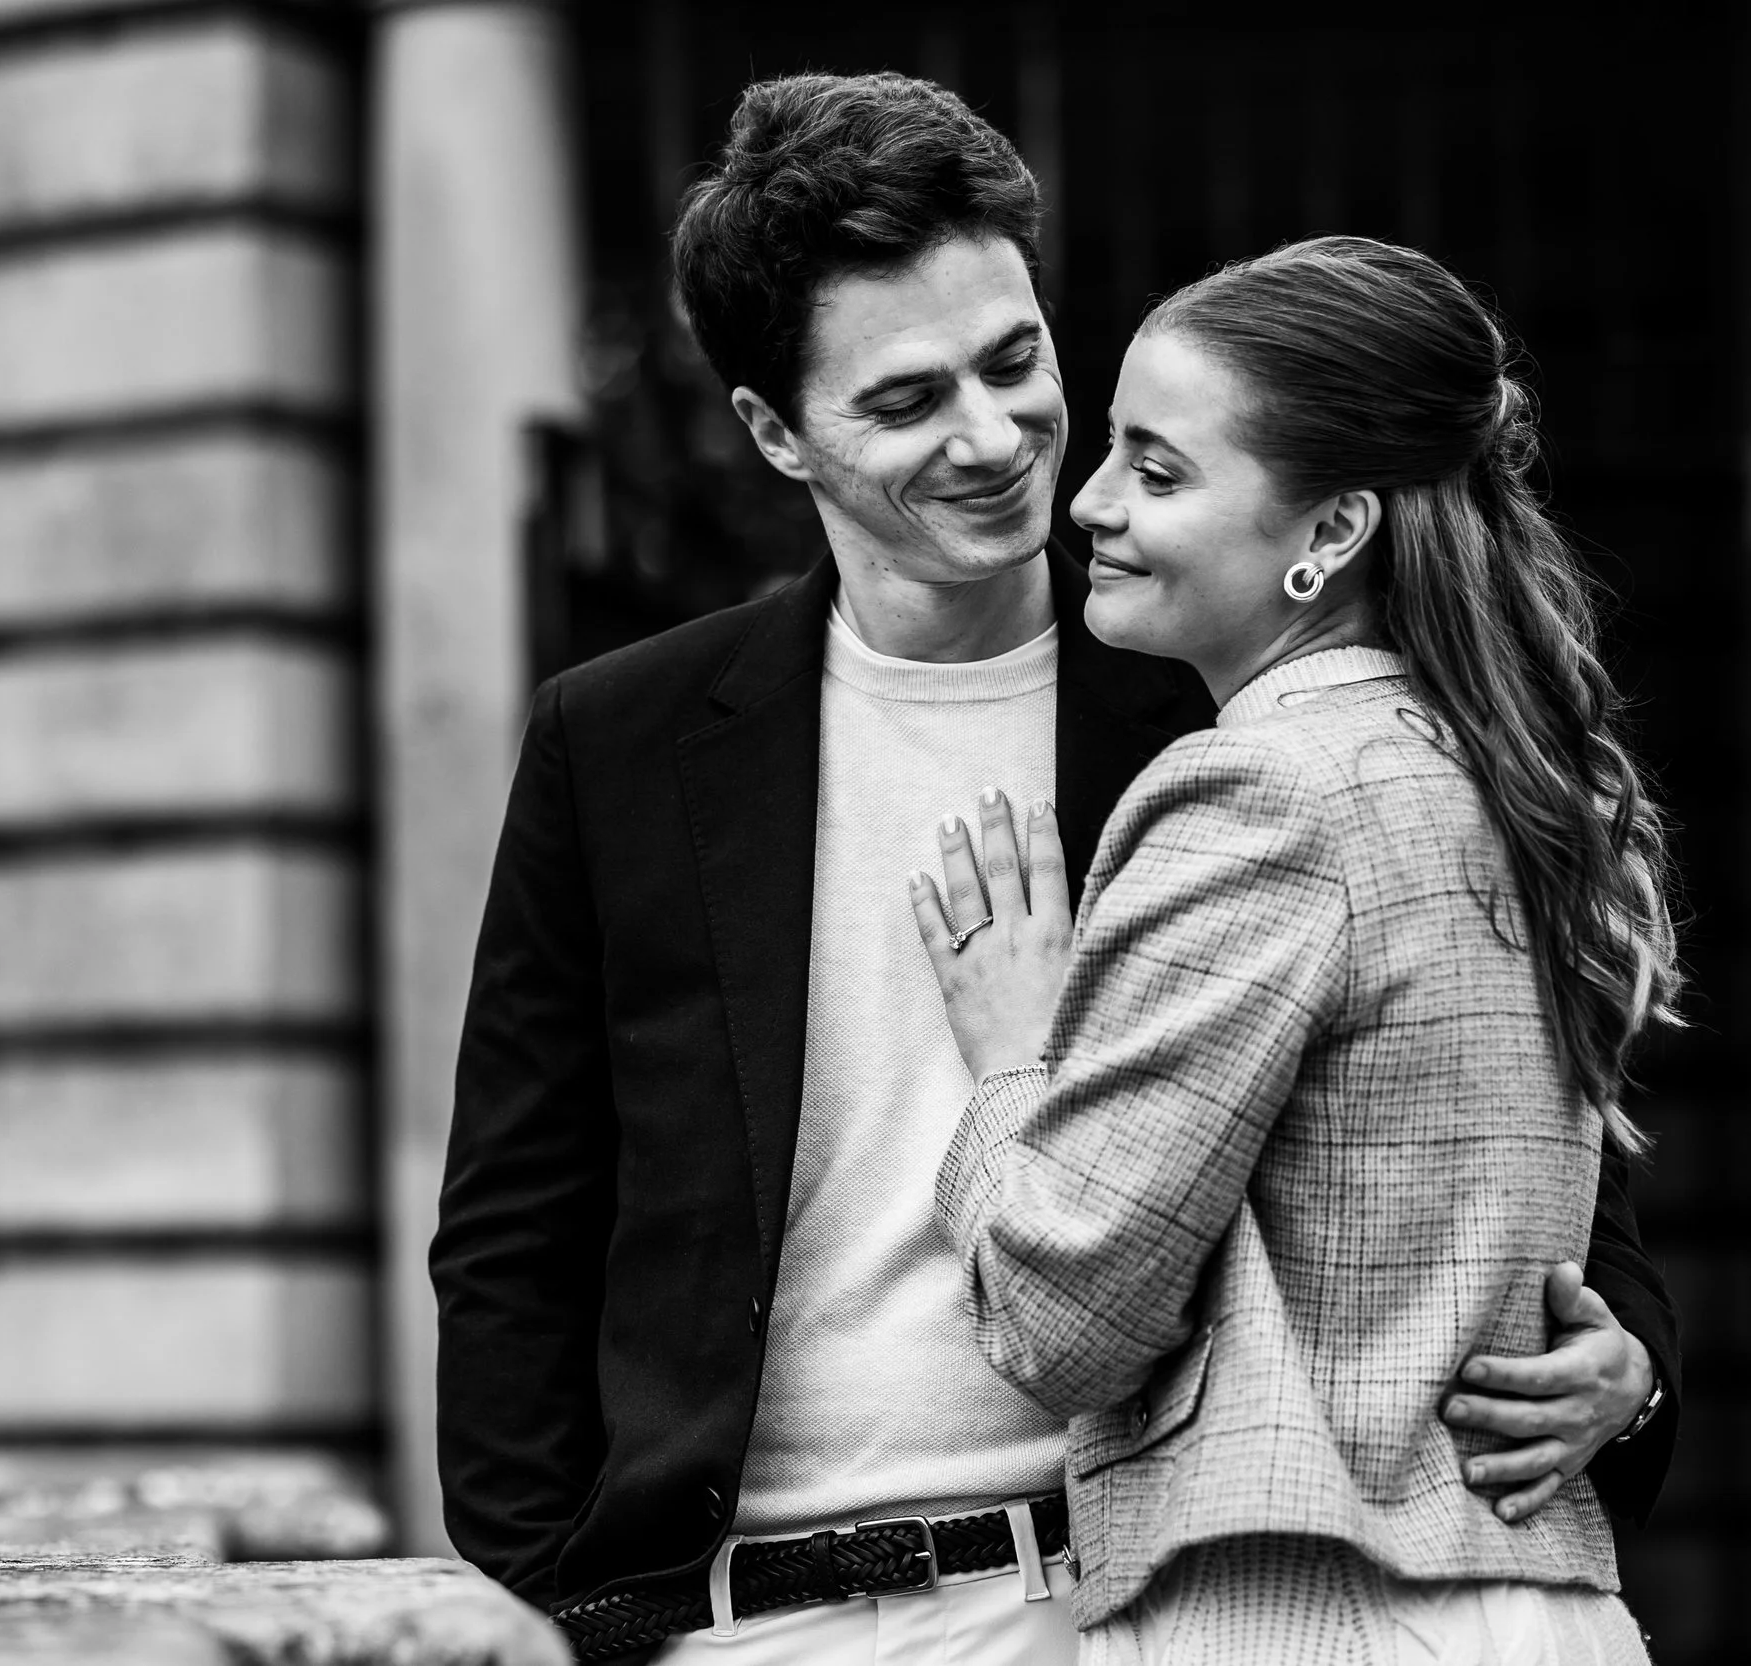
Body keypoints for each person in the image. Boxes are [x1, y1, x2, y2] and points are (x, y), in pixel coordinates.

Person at [432, 73, 1677, 1666]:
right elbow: (516, 1223)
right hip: (746, 1627)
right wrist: (569, 1610)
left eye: (1017, 361)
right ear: (774, 431)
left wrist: (1630, 1359)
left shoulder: (1228, 704)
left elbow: (1506, 1114)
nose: (997, 437)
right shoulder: (619, 741)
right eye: (905, 401)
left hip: (1155, 1599)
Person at [917, 237, 1671, 1664]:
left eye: (1157, 468)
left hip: (1307, 1606)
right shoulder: (1514, 785)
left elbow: (1062, 1320)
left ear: (1328, 534)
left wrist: (1013, 1058)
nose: (1088, 501)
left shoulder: (1260, 791)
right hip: (1544, 1606)